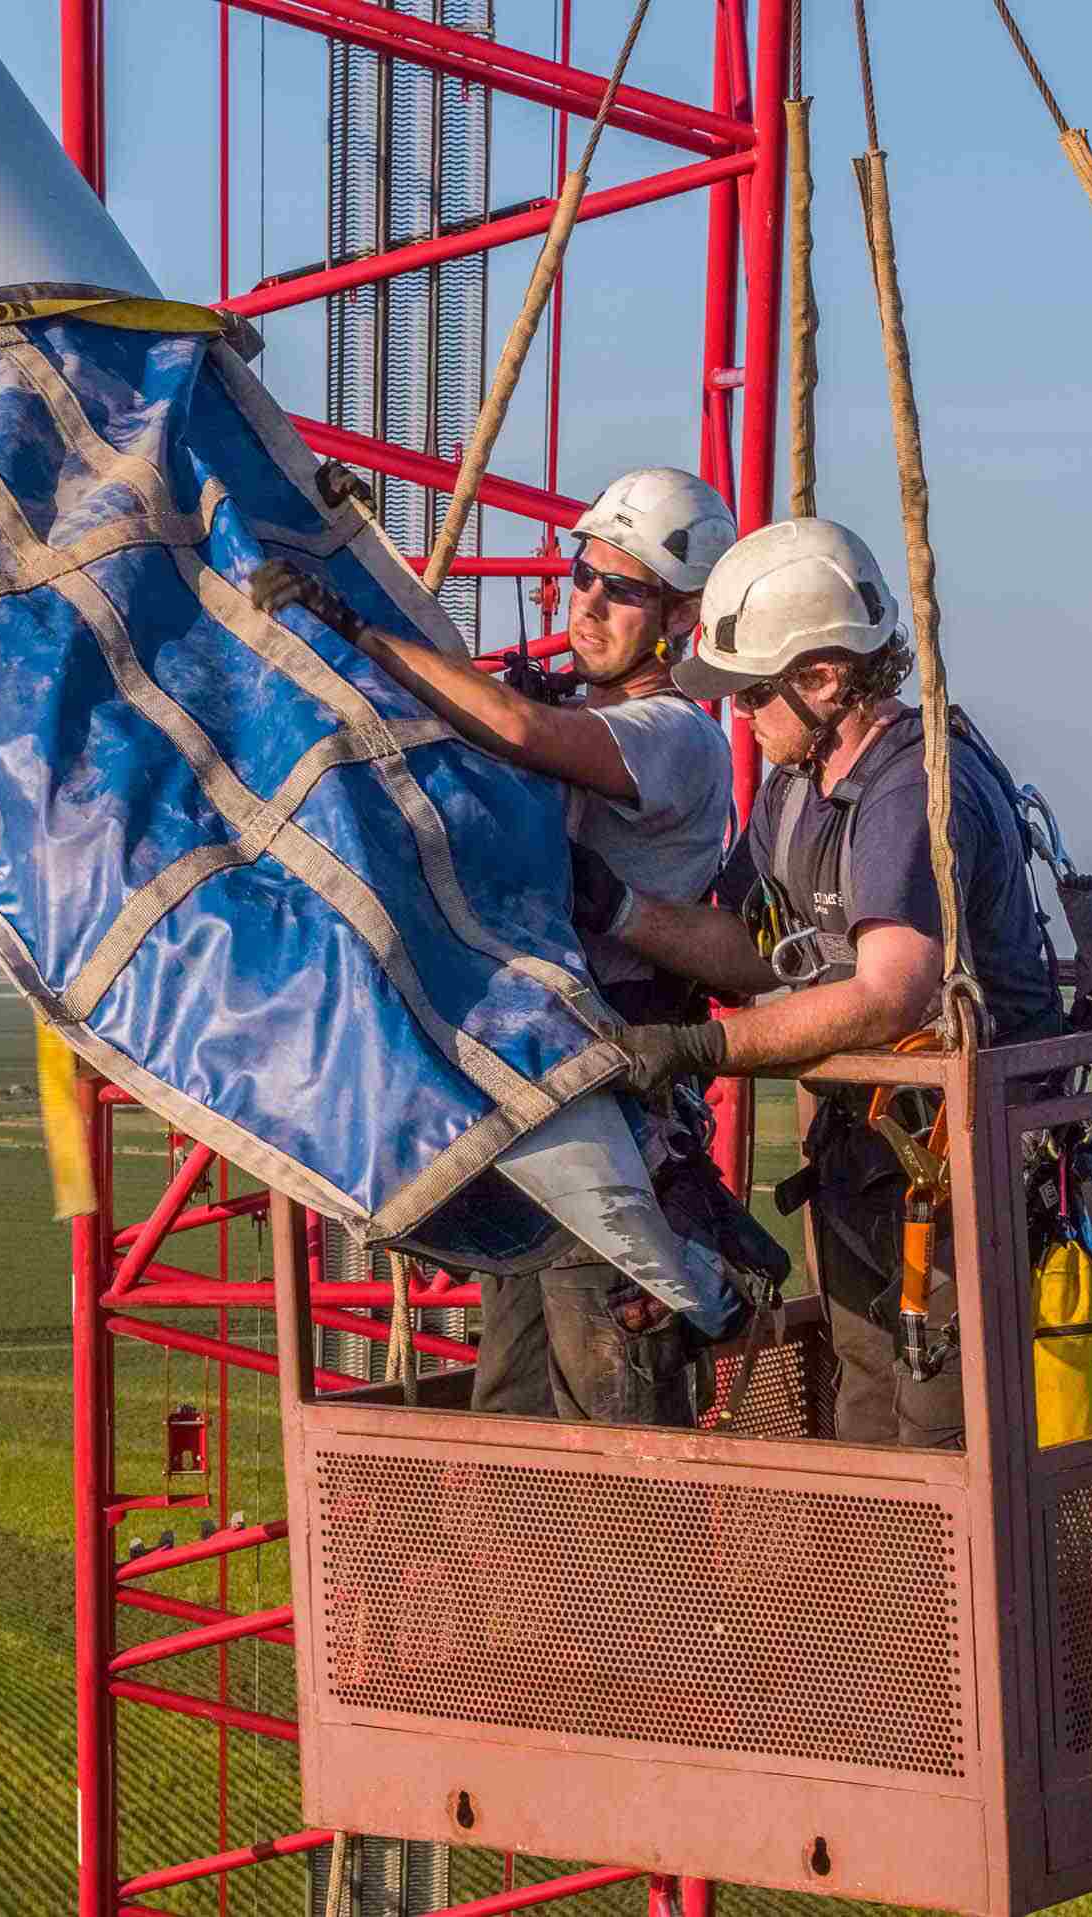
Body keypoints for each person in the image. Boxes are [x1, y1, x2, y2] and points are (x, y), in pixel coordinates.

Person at [251, 467, 741, 1427]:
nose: (588, 602)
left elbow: (516, 729)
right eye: (584, 575)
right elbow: (493, 719)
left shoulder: (678, 737)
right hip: (536, 1100)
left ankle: (644, 1584)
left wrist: (355, 624)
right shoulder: (588, 713)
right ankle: (525, 1578)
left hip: (613, 1120)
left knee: (620, 1436)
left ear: (681, 617)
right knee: (510, 1415)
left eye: (623, 588)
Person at [574, 518, 1062, 1448]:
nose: (744, 717)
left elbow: (890, 994)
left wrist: (696, 1047)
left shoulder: (912, 789)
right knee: (867, 1405)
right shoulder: (796, 786)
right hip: (871, 1150)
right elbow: (753, 947)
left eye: (755, 693)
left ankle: (974, 1596)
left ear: (827, 678)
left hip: (971, 1166)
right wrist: (620, 909)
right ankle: (890, 1593)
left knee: (943, 1431)